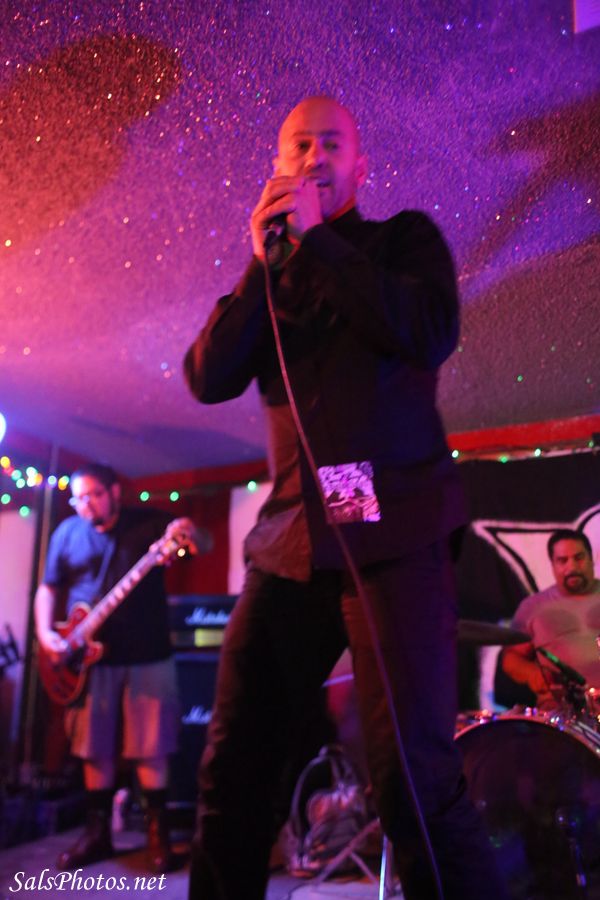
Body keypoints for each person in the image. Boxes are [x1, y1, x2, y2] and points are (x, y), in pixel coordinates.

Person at [184, 96, 507, 900]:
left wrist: (321, 241)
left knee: (411, 779)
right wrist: (264, 262)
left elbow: (427, 329)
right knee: (234, 768)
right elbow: (207, 376)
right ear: (278, 168)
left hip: (393, 535)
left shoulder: (403, 241)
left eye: (332, 144)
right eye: (299, 145)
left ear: (360, 167)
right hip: (291, 541)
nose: (314, 156)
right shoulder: (272, 275)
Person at [34, 462, 206, 872]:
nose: (85, 505)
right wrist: (45, 635)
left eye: (93, 495)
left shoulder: (150, 523)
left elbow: (200, 542)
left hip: (148, 653)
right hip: (86, 660)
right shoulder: (66, 533)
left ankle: (158, 836)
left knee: (152, 747)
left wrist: (189, 532)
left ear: (114, 492)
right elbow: (48, 587)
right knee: (94, 750)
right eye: (78, 498)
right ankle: (98, 836)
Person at [502, 528, 600, 710]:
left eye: (579, 558)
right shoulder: (533, 607)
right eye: (562, 560)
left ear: (591, 559)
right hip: (561, 709)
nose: (572, 567)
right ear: (553, 565)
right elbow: (511, 658)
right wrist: (532, 673)